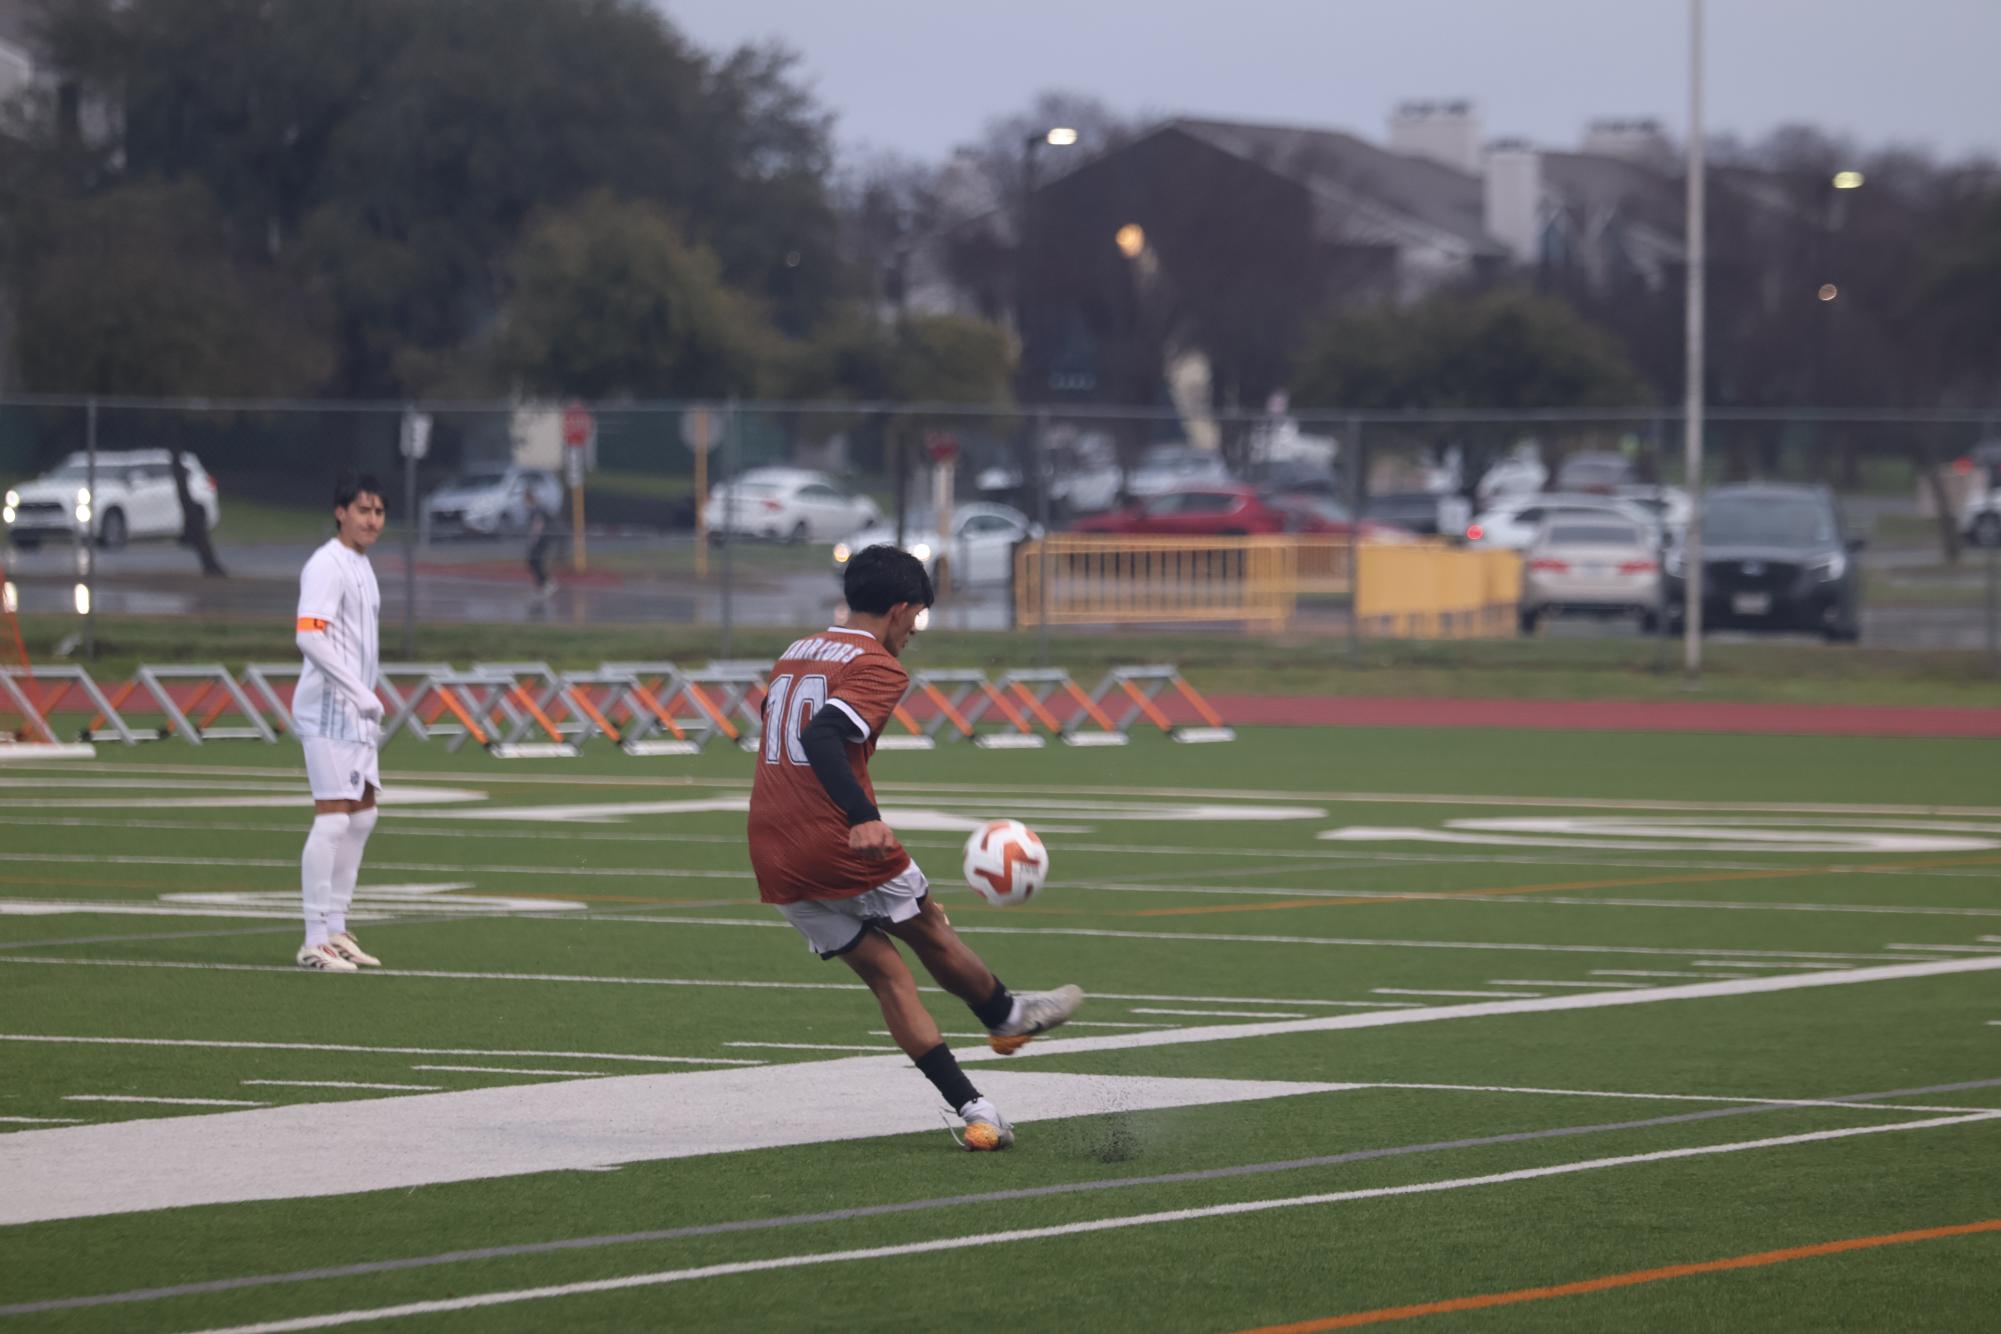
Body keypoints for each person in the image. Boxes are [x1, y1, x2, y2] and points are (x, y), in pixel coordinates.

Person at [747, 545, 1082, 1151]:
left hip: (770, 845)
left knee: (887, 976)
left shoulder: (796, 651)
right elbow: (823, 733)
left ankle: (977, 1111)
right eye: (917, 618)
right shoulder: (877, 664)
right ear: (899, 609)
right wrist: (863, 817)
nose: (914, 632)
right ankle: (1006, 1018)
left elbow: (778, 719)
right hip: (833, 836)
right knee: (926, 925)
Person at [291, 473, 387, 972]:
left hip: (357, 715)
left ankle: (335, 928)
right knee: (331, 819)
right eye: (363, 510)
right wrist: (357, 692)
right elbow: (310, 635)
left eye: (378, 511)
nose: (372, 520)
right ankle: (312, 940)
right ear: (340, 512)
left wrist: (365, 695)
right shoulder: (327, 564)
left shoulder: (362, 566)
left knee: (363, 816)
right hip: (330, 713)